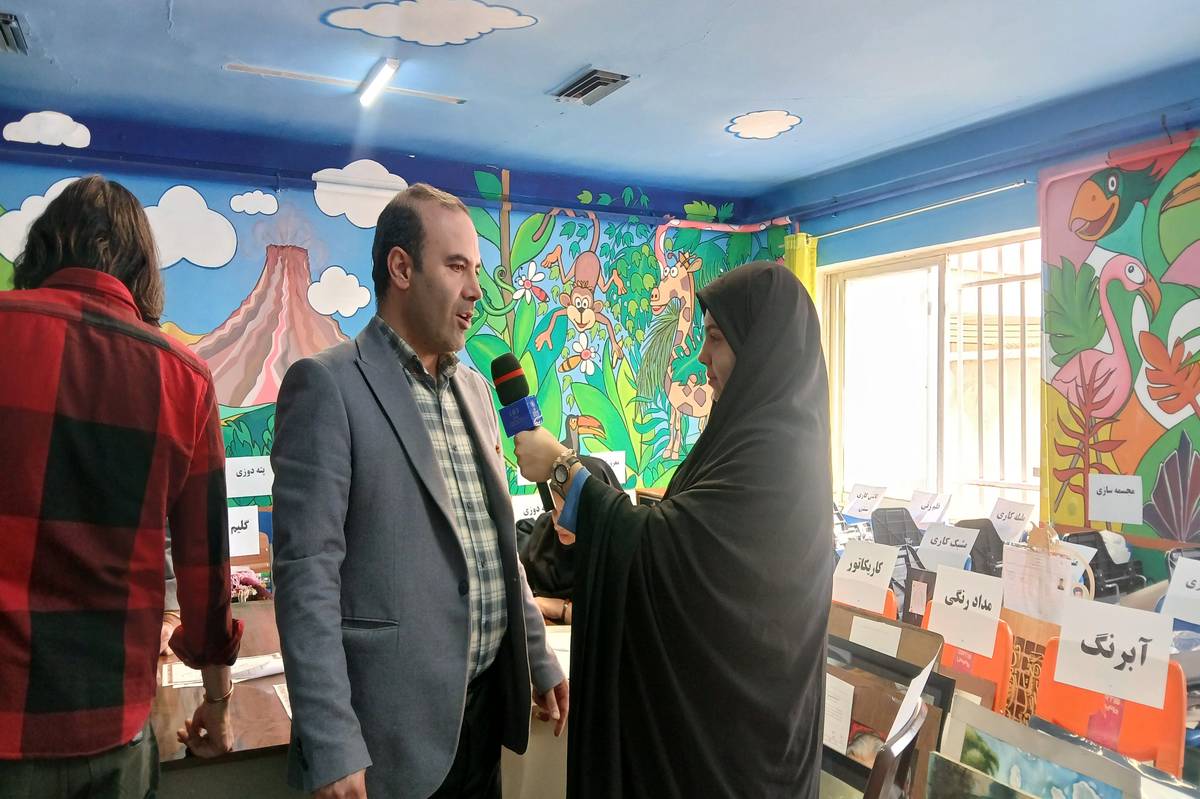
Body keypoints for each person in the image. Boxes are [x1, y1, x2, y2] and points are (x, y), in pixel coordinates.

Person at [271, 183, 568, 799]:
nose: (476, 290)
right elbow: (307, 576)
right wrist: (330, 741)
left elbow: (495, 549)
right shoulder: (326, 387)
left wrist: (538, 657)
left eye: (476, 269)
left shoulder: (476, 393)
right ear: (401, 269)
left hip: (482, 720)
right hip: (388, 742)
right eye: (457, 266)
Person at [514, 261, 833, 798]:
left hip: (740, 753)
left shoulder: (778, 453)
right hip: (722, 729)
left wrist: (566, 469)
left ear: (759, 348)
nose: (702, 357)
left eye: (716, 339)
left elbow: (670, 550)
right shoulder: (742, 436)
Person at [0, 175, 244, 796]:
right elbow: (207, 570)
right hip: (113, 725)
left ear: (44, 247)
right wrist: (217, 699)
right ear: (143, 268)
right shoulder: (184, 377)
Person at [518, 454, 622, 625]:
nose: (558, 523)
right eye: (554, 511)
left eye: (570, 513)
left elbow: (614, 620)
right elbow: (518, 602)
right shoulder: (542, 536)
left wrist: (560, 608)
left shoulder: (619, 552)